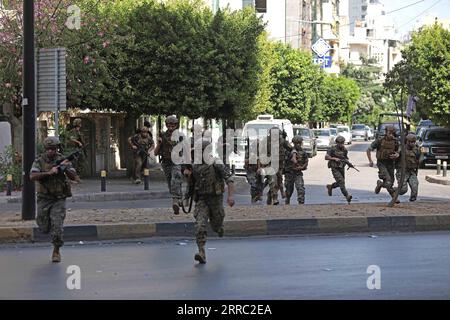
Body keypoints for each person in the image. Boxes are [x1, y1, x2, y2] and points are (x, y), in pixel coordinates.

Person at [183, 138, 235, 264]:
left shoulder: (216, 163)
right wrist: (186, 198)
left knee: (216, 224)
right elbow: (191, 184)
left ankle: (219, 228)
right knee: (200, 225)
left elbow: (229, 179)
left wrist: (230, 196)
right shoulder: (195, 166)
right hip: (202, 199)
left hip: (215, 199)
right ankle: (201, 252)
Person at [30, 136, 79, 263]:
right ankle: (47, 226)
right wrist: (49, 172)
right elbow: (32, 176)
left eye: (53, 149)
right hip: (44, 198)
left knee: (57, 226)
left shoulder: (63, 160)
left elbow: (74, 177)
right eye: (48, 149)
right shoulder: (39, 161)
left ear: (57, 148)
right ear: (45, 149)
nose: (51, 151)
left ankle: (56, 250)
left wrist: (66, 168)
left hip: (59, 198)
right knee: (43, 225)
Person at [154, 115, 185, 214]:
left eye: (173, 125)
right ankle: (179, 198)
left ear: (176, 125)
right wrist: (159, 143)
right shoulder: (162, 136)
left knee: (175, 179)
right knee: (170, 183)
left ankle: (175, 200)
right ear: (166, 125)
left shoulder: (180, 136)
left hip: (177, 162)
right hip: (166, 162)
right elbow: (155, 153)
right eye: (169, 125)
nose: (171, 128)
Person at [366, 125, 400, 199]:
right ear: (386, 132)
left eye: (392, 133)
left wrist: (397, 154)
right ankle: (394, 197)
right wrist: (370, 161)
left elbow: (399, 151)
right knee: (388, 181)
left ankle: (380, 184)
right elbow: (368, 149)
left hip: (391, 163)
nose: (391, 135)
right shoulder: (380, 140)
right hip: (381, 163)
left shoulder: (396, 142)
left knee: (391, 182)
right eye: (389, 133)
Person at [325, 135, 352, 203]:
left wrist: (349, 164)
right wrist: (334, 158)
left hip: (341, 167)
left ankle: (331, 186)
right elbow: (326, 157)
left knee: (341, 182)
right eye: (339, 143)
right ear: (336, 142)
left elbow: (345, 158)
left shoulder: (344, 150)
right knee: (341, 182)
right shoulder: (332, 149)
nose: (341, 144)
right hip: (334, 167)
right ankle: (347, 195)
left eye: (342, 143)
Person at [284, 135, 308, 205]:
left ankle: (301, 202)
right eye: (296, 143)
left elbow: (306, 162)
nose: (297, 145)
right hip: (289, 173)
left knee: (300, 188)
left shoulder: (303, 152)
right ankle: (287, 200)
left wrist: (302, 167)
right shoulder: (289, 151)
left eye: (299, 143)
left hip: (298, 173)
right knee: (289, 190)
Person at [396, 133, 420, 201]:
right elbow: (398, 153)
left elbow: (420, 157)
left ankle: (412, 200)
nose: (413, 143)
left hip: (412, 171)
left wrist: (419, 160)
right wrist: (397, 155)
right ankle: (393, 190)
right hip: (402, 171)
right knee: (403, 190)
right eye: (411, 142)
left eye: (414, 142)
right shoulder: (401, 148)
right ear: (407, 141)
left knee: (415, 186)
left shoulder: (416, 149)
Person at [244, 137, 264, 204]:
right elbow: (246, 161)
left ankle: (259, 194)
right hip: (251, 169)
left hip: (259, 169)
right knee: (253, 183)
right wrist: (251, 158)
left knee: (261, 182)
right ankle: (253, 197)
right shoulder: (249, 151)